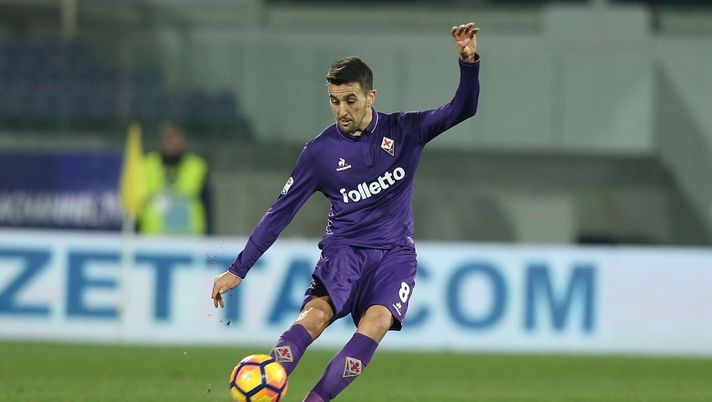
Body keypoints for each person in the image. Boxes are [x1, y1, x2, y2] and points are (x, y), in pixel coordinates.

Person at [212, 22, 480, 401]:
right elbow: (279, 213)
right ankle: (267, 387)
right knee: (315, 316)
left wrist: (468, 61)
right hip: (344, 251)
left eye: (350, 100)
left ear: (371, 96)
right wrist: (238, 269)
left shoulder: (406, 131)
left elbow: (462, 108)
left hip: (394, 255)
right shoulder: (319, 152)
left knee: (376, 322)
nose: (342, 109)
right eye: (335, 101)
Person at [138, 124, 213, 235]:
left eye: (176, 139)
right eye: (169, 139)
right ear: (162, 141)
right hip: (153, 238)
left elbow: (207, 203)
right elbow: (135, 203)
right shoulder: (145, 165)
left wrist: (209, 233)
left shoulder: (197, 166)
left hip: (189, 238)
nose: (172, 143)